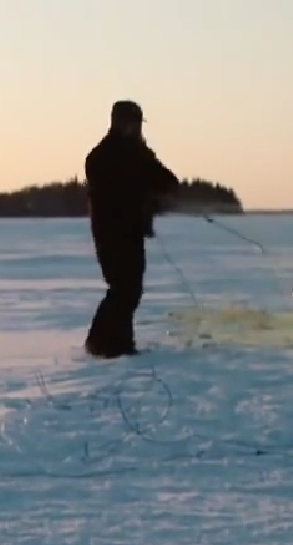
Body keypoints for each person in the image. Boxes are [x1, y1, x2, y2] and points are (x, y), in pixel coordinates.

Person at [82, 99, 181, 358]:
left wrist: (169, 191)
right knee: (122, 288)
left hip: (133, 231)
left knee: (131, 289)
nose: (136, 128)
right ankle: (105, 344)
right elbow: (114, 191)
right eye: (132, 123)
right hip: (110, 233)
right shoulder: (101, 156)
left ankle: (112, 343)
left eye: (138, 123)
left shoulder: (139, 153)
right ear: (119, 123)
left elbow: (164, 178)